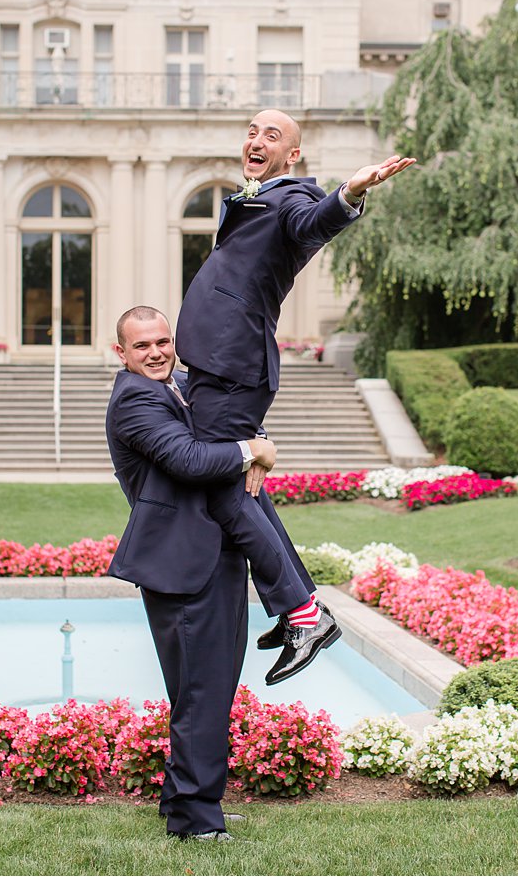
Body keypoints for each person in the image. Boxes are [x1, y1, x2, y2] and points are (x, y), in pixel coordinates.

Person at [174, 109, 414, 685]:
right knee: (245, 489)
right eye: (252, 131)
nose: (257, 141)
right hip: (217, 363)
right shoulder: (257, 196)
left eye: (272, 136)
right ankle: (304, 607)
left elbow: (314, 222)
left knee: (224, 489)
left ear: (293, 156)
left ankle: (303, 614)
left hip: (234, 365)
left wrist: (349, 193)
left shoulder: (291, 200)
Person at [105, 305, 277, 841]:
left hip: (219, 553)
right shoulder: (134, 399)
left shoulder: (182, 384)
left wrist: (250, 441)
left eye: (162, 341)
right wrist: (251, 450)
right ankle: (196, 820)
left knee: (211, 689)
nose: (156, 352)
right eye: (142, 346)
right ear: (121, 353)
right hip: (180, 565)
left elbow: (233, 424)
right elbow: (189, 459)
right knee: (200, 693)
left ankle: (185, 799)